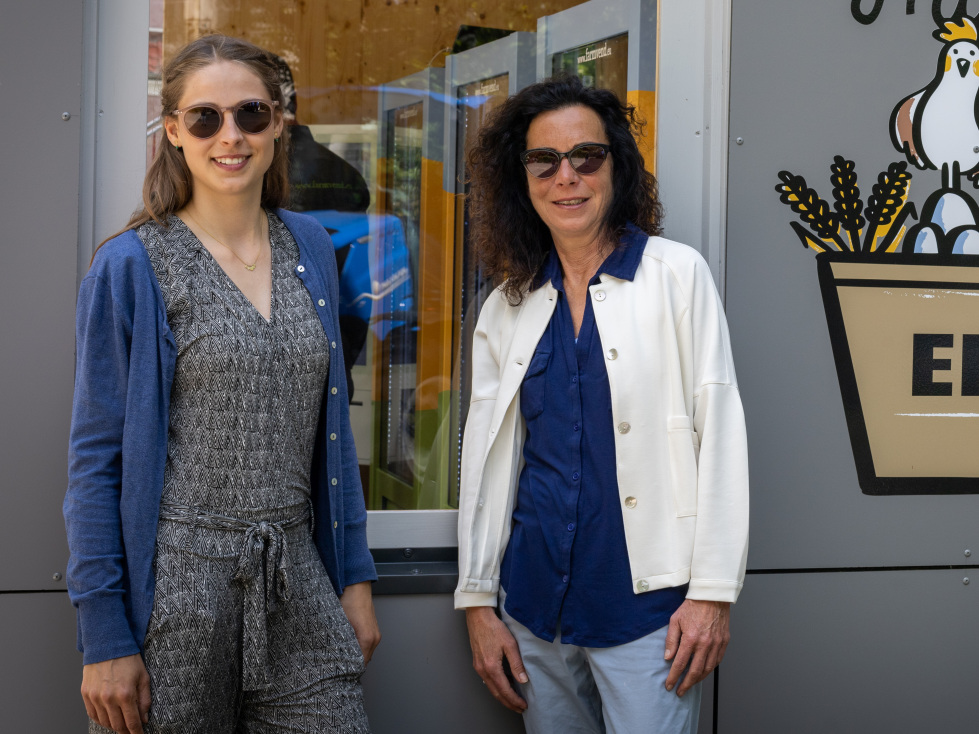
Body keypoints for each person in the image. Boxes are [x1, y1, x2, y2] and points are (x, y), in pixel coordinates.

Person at [64, 35, 379, 734]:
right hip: (177, 592)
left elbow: (330, 433)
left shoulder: (313, 249)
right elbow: (95, 461)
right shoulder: (132, 266)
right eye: (205, 118)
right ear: (173, 130)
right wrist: (105, 636)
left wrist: (353, 581)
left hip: (298, 577)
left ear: (278, 124)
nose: (230, 136)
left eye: (250, 114)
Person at [455, 75, 749, 734]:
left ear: (616, 166)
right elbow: (487, 462)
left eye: (586, 157)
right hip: (533, 610)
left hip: (648, 614)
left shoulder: (676, 276)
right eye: (544, 161)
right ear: (521, 176)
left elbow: (720, 435)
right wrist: (478, 601)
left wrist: (711, 594)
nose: (567, 177)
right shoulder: (507, 304)